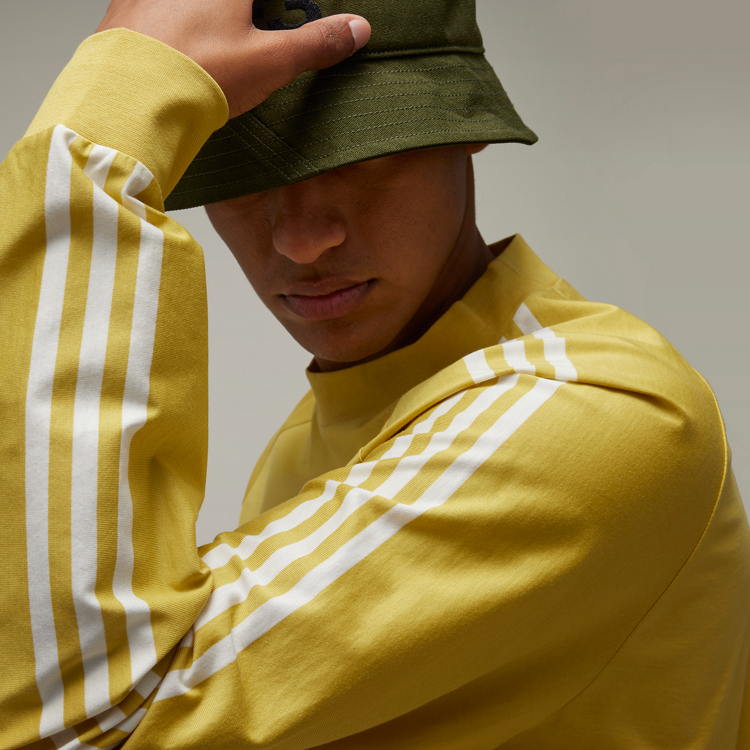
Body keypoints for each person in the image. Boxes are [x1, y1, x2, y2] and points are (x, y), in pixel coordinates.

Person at [1, 0, 748, 748]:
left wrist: (95, 134)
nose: (301, 241)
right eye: (242, 174)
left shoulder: (598, 413)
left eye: (361, 155)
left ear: (468, 120)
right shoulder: (318, 441)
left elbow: (87, 724)